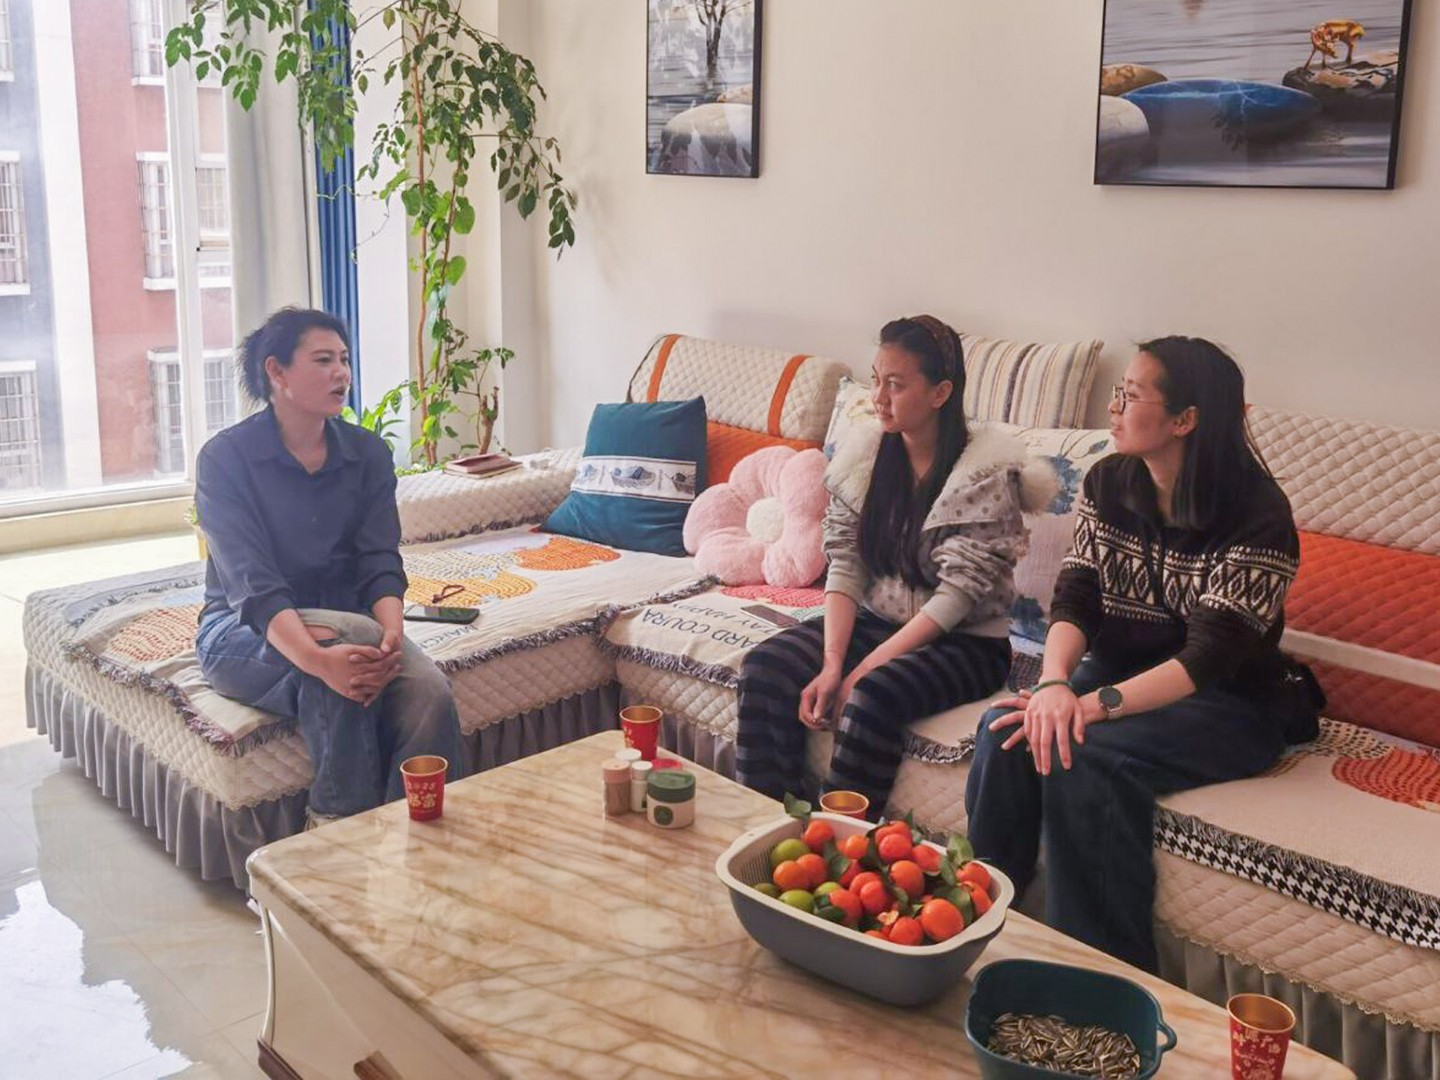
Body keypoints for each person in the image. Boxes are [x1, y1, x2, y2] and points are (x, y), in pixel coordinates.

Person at [966, 336, 1301, 972]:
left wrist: (1091, 707)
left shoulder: (1258, 514)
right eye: (1116, 393)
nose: (1113, 408)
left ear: (1185, 419)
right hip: (1120, 672)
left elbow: (1208, 658)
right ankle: (985, 923)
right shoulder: (1110, 481)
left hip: (1230, 703)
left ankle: (1099, 973)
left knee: (1084, 756)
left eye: (1129, 396)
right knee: (1006, 728)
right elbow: (1077, 597)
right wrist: (1053, 685)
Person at [736, 315, 1051, 816]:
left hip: (965, 644)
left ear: (940, 392)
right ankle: (770, 824)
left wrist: (861, 670)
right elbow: (845, 561)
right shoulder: (865, 461)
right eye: (876, 380)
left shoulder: (984, 476)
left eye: (896, 385)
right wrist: (834, 663)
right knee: (764, 668)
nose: (879, 397)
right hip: (876, 622)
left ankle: (841, 841)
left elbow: (956, 597)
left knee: (870, 697)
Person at [194, 307, 462, 826]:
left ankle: (421, 833)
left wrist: (391, 634)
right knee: (339, 672)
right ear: (276, 371)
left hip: (348, 621)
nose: (342, 373)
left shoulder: (367, 453)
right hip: (241, 629)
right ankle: (338, 840)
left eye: (344, 359)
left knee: (429, 694)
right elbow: (254, 586)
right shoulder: (226, 459)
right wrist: (319, 661)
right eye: (323, 360)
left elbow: (379, 556)